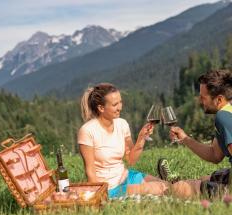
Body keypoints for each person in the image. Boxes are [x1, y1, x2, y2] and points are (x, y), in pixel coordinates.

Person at [77, 83, 169, 198]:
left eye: (120, 102)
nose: (120, 107)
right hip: (108, 188)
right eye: (115, 104)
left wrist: (141, 138)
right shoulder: (88, 131)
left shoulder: (122, 124)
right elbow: (90, 172)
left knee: (167, 186)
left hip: (126, 177)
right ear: (101, 108)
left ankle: (193, 191)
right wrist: (99, 197)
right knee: (158, 188)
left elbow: (131, 159)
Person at [169, 69, 232, 198]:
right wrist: (185, 138)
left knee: (178, 188)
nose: (199, 100)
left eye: (203, 97)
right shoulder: (228, 111)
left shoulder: (223, 117)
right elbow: (215, 155)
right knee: (204, 178)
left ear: (219, 99)